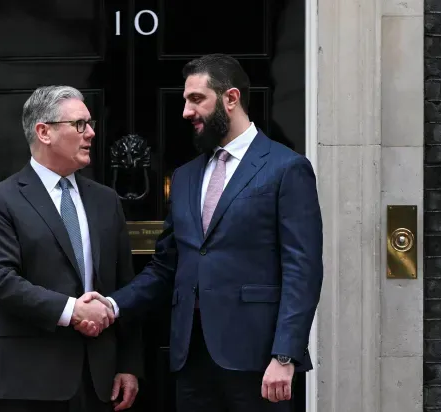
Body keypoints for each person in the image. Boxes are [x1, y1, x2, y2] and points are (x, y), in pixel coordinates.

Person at [79, 54, 323, 411]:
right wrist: (113, 305)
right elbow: (165, 266)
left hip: (258, 361)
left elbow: (303, 270)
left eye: (196, 99)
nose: (186, 112)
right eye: (185, 100)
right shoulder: (185, 176)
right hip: (191, 359)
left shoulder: (286, 168)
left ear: (231, 98)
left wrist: (285, 355)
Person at [0, 85, 142, 412]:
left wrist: (129, 363)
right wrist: (72, 310)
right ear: (44, 132)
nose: (91, 133)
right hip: (28, 379)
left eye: (90, 123)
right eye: (79, 124)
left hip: (99, 379)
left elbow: (125, 284)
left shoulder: (105, 200)